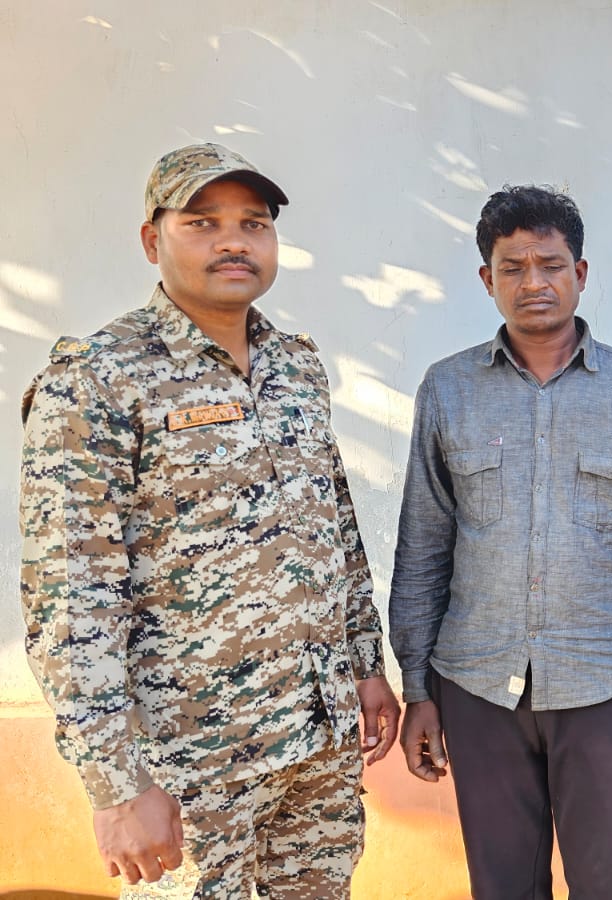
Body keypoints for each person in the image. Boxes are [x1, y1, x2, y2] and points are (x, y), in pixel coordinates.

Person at [18, 142, 400, 898]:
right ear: (151, 239)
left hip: (317, 747)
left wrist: (365, 667)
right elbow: (69, 598)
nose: (234, 241)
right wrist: (116, 785)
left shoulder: (296, 367)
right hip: (189, 765)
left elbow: (336, 531)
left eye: (254, 223)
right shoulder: (97, 378)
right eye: (202, 222)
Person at [388, 184, 612, 900]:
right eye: (513, 267)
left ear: (579, 273)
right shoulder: (448, 389)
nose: (534, 283)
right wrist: (418, 690)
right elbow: (423, 545)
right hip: (477, 683)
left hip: (609, 680)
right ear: (486, 279)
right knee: (502, 887)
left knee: (604, 885)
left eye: (551, 265)